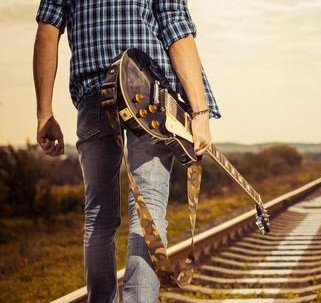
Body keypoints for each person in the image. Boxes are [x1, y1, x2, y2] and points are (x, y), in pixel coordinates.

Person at [33, 1, 220, 302]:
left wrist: (44, 112)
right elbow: (176, 30)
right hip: (148, 95)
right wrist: (200, 113)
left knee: (98, 216)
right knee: (150, 205)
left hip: (95, 93)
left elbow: (47, 29)